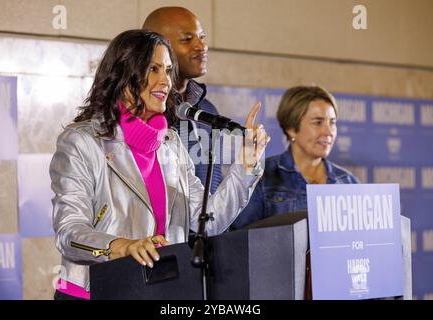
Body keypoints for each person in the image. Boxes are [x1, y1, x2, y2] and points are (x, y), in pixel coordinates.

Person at [50, 30, 269, 300]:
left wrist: (246, 165)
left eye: (167, 70)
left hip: (156, 293)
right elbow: (69, 232)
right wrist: (122, 247)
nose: (165, 80)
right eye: (153, 69)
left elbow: (210, 220)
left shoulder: (171, 144)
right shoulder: (82, 142)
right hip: (93, 293)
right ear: (123, 75)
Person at [230, 85, 359, 230]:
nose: (329, 131)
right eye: (318, 122)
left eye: (332, 122)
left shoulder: (348, 181)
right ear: (291, 129)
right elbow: (239, 240)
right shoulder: (261, 178)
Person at [143, 7, 224, 194]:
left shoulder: (208, 110)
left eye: (202, 37)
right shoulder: (144, 111)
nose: (201, 46)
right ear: (156, 48)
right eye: (187, 39)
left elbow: (214, 190)